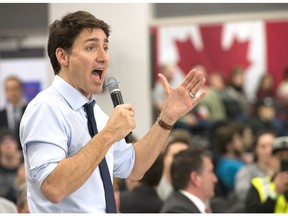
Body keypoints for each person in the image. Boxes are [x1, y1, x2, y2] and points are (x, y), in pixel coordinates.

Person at [19, 10, 206, 213]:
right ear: (62, 56)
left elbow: (134, 167)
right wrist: (108, 134)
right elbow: (53, 187)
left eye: (105, 47)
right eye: (91, 47)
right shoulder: (45, 108)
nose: (104, 57)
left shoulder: (95, 113)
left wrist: (167, 117)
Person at [160, 148, 218, 213]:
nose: (215, 179)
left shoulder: (185, 206)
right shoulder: (177, 211)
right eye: (210, 172)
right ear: (195, 178)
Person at [233, 130, 276, 211]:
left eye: (271, 146)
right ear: (256, 150)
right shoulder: (246, 172)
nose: (268, 151)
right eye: (263, 146)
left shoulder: (283, 172)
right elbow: (243, 195)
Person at [245, 136, 288, 213]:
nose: (285, 161)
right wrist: (275, 193)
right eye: (280, 157)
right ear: (272, 159)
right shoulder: (258, 185)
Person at [157, 129, 194, 201]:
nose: (179, 161)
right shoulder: (153, 188)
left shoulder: (196, 190)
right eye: (174, 156)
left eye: (183, 156)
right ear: (164, 158)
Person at [0, 76, 26, 148]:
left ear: (21, 90)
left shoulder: (29, 112)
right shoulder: (1, 114)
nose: (12, 93)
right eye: (9, 90)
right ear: (5, 91)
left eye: (15, 89)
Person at [0, 129, 23, 204]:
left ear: (17, 144)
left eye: (11, 140)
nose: (7, 143)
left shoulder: (27, 165)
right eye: (3, 141)